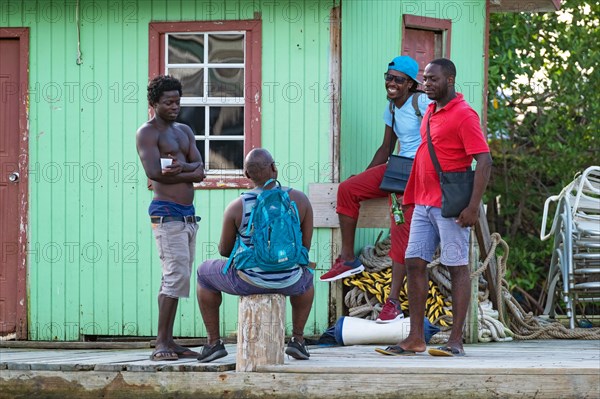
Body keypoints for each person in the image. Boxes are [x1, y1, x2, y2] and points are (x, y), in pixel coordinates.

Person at [384, 58, 492, 357]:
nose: (426, 84)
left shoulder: (464, 115)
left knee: (457, 267)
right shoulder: (429, 110)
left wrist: (472, 207)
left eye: (433, 79)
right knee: (414, 263)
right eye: (425, 79)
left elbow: (484, 160)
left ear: (450, 80)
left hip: (450, 205)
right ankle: (416, 338)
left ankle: (455, 340)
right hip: (421, 201)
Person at [320, 55, 432, 323]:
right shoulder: (392, 108)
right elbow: (386, 148)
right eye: (388, 78)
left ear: (411, 84)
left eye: (398, 80)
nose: (391, 83)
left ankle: (392, 302)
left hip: (418, 173)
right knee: (347, 189)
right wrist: (367, 175)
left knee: (399, 227)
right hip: (397, 168)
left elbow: (435, 138)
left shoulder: (423, 102)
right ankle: (348, 259)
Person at [196, 148, 315, 362]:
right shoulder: (300, 200)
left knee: (203, 274)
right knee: (307, 278)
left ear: (247, 175)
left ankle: (213, 344)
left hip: (249, 281)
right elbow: (304, 248)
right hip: (290, 281)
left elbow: (224, 250)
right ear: (274, 168)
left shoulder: (237, 206)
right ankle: (298, 340)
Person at [136, 75, 206, 361]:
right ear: (154, 104)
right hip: (166, 213)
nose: (175, 106)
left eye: (178, 101)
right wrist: (187, 168)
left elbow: (201, 171)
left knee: (180, 277)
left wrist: (181, 168)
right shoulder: (147, 133)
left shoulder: (184, 131)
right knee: (174, 275)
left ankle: (169, 340)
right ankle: (161, 344)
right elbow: (154, 172)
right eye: (168, 102)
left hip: (188, 216)